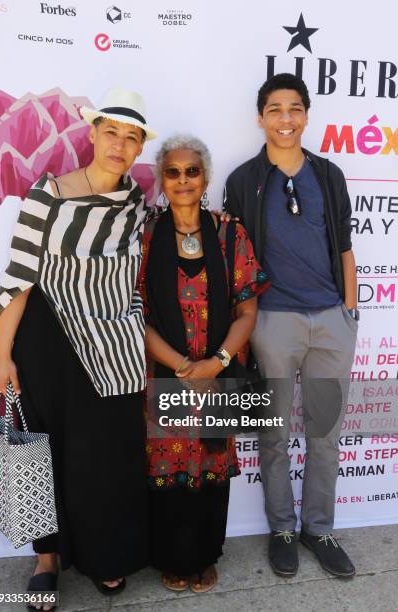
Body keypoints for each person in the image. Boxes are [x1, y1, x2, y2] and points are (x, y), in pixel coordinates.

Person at [0, 87, 157, 608]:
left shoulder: (135, 203)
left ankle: (105, 553)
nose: (120, 144)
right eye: (112, 132)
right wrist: (3, 355)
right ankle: (46, 559)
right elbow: (19, 276)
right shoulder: (50, 193)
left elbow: (130, 277)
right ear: (93, 134)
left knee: (106, 456)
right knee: (44, 448)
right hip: (50, 338)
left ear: (138, 149)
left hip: (113, 344)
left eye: (132, 138)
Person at [223, 73, 358, 578]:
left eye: (294, 108)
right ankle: (281, 528)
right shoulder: (242, 181)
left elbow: (344, 246)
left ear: (306, 115)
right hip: (273, 321)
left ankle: (318, 529)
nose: (285, 118)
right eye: (275, 109)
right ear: (261, 117)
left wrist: (349, 313)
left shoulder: (328, 175)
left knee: (325, 433)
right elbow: (234, 258)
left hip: (330, 322)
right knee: (273, 433)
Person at [137, 135, 269, 593]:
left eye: (192, 170)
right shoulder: (147, 236)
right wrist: (182, 368)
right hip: (164, 373)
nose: (183, 180)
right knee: (167, 467)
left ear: (206, 177)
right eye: (172, 172)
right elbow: (135, 313)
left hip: (219, 375)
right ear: (162, 179)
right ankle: (172, 557)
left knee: (210, 463)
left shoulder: (230, 233)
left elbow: (247, 310)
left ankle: (204, 555)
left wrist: (216, 362)